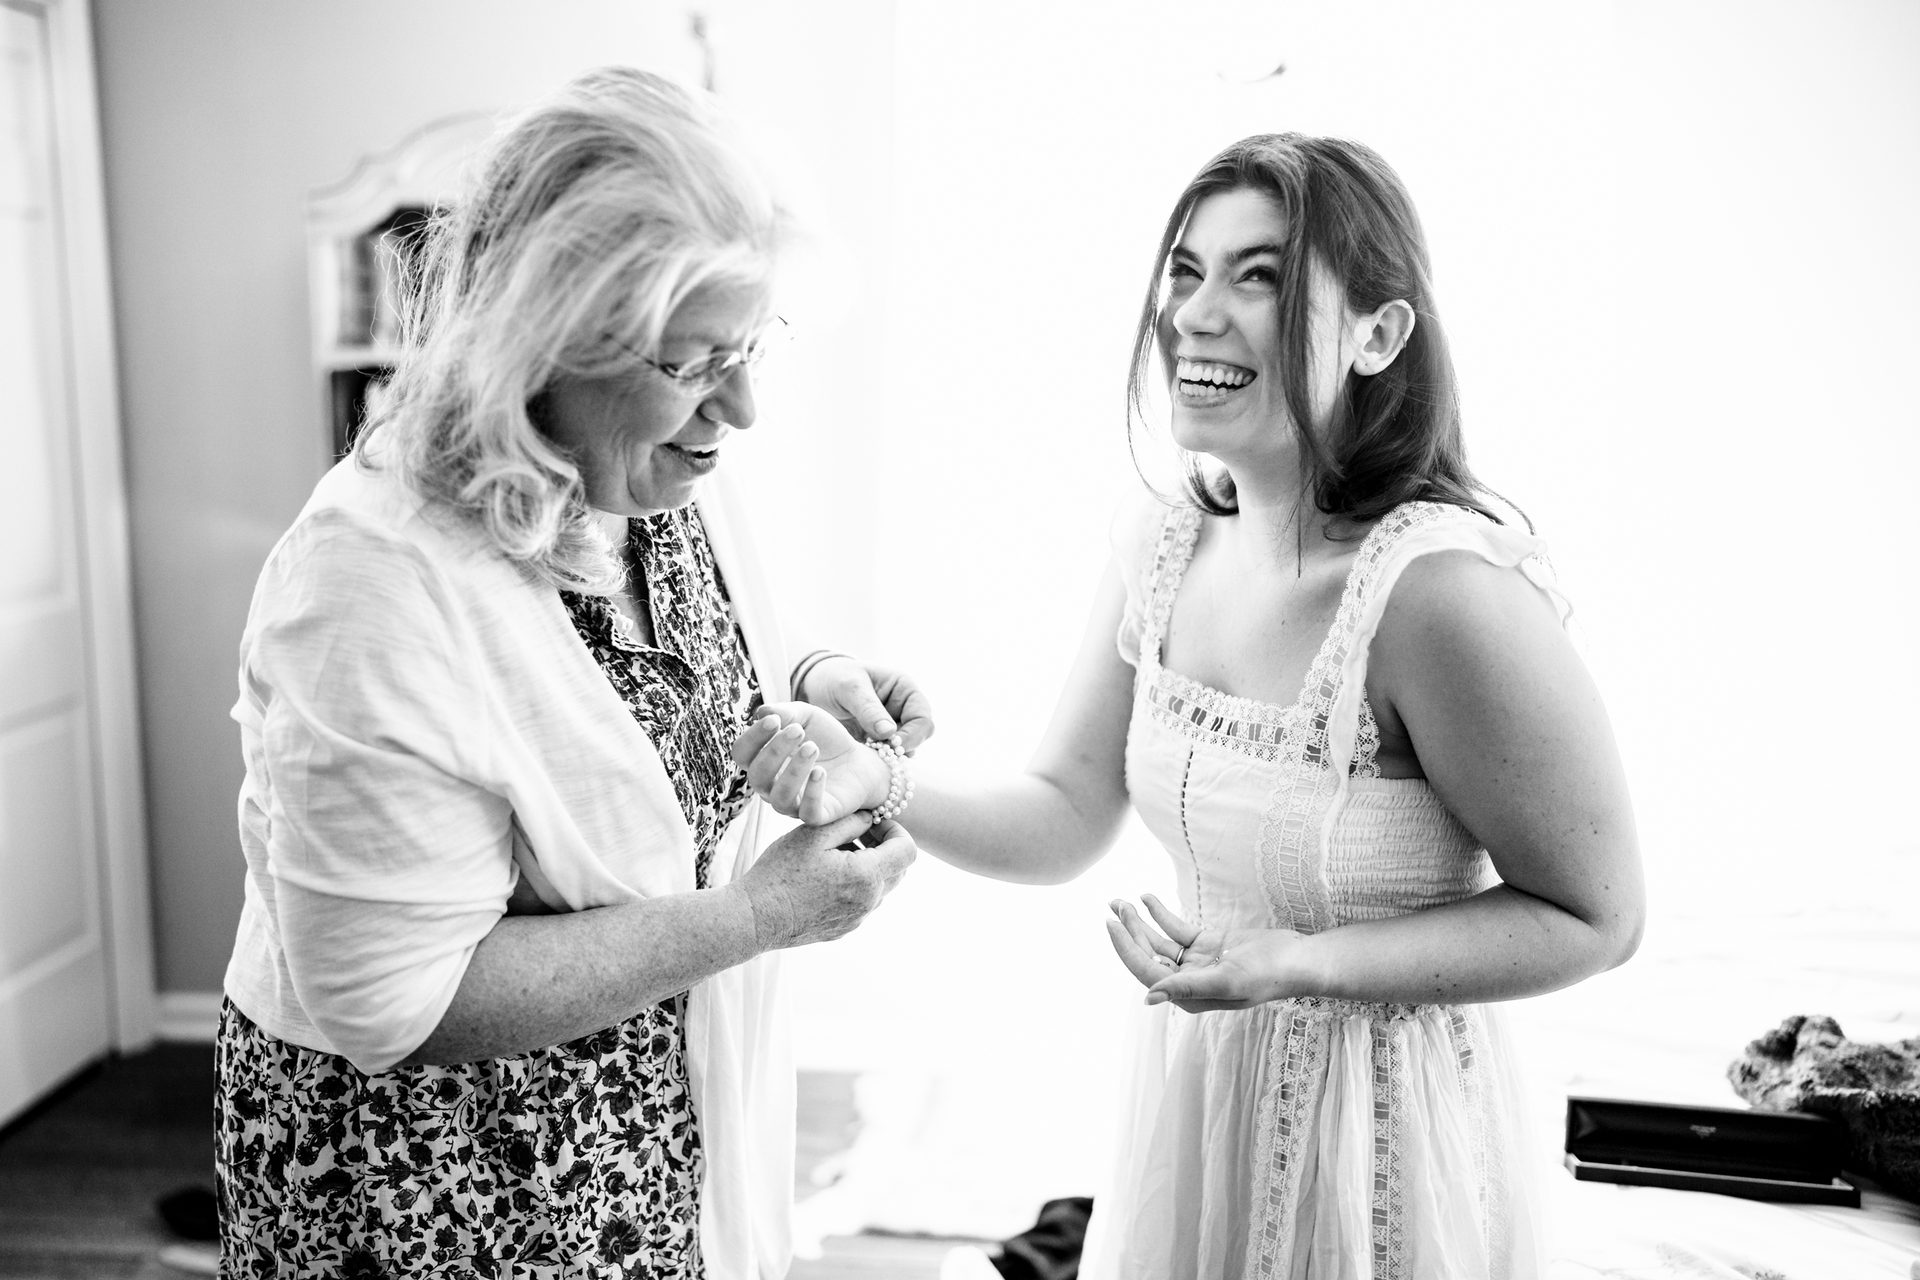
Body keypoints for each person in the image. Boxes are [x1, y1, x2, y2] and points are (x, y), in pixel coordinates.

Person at [736, 133, 1645, 1276]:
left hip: (1385, 1141)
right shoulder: (1162, 541)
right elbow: (1064, 810)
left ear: (1379, 335)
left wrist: (1301, 961)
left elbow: (1597, 915)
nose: (1194, 315)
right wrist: (884, 779)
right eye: (1185, 270)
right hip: (1196, 1097)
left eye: (1259, 277)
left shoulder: (1441, 594)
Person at [215, 67, 928, 1280]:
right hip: (447, 1184)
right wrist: (755, 918)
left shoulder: (640, 461)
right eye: (698, 362)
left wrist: (809, 675)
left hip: (646, 1132)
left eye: (752, 345)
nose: (743, 405)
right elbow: (395, 1001)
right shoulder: (371, 584)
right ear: (543, 339)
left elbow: (647, 670)